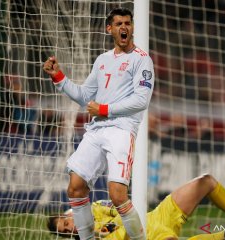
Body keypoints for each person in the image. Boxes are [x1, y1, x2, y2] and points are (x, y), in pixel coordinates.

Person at [43, 7, 154, 240]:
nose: (124, 27)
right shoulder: (102, 60)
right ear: (110, 29)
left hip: (121, 130)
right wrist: (59, 78)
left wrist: (104, 109)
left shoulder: (142, 60)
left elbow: (141, 100)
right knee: (75, 187)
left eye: (127, 23)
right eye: (119, 24)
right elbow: (85, 95)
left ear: (132, 27)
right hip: (97, 129)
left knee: (117, 195)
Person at [47, 174, 225, 240]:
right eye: (66, 232)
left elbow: (120, 210)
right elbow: (123, 231)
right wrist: (102, 231)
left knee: (205, 181)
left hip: (157, 215)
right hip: (150, 236)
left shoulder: (94, 207)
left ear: (68, 214)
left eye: (66, 224)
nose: (71, 228)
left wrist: (106, 226)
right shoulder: (90, 238)